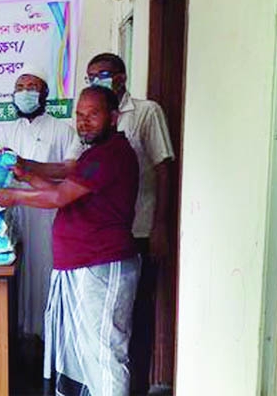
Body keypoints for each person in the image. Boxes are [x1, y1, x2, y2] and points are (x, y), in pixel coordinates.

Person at [0, 86, 140, 396]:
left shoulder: (110, 154)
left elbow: (59, 196)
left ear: (113, 117)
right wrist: (25, 175)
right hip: (82, 264)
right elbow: (67, 193)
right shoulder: (95, 154)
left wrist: (14, 197)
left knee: (104, 350)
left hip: (102, 263)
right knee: (83, 352)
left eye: (92, 115)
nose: (83, 122)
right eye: (80, 115)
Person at [86, 53, 175, 393]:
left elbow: (163, 166)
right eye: (91, 76)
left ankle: (136, 387)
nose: (97, 81)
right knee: (110, 319)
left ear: (121, 76)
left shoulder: (146, 112)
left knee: (137, 315)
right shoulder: (91, 116)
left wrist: (160, 225)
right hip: (106, 233)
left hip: (140, 228)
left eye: (104, 74)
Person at [0, 66, 81, 375]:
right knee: (16, 274)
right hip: (13, 214)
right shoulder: (5, 132)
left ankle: (50, 344)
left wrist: (31, 169)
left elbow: (72, 169)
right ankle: (17, 343)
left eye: (32, 86)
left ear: (44, 94)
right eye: (20, 86)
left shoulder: (63, 129)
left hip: (48, 214)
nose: (25, 91)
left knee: (45, 273)